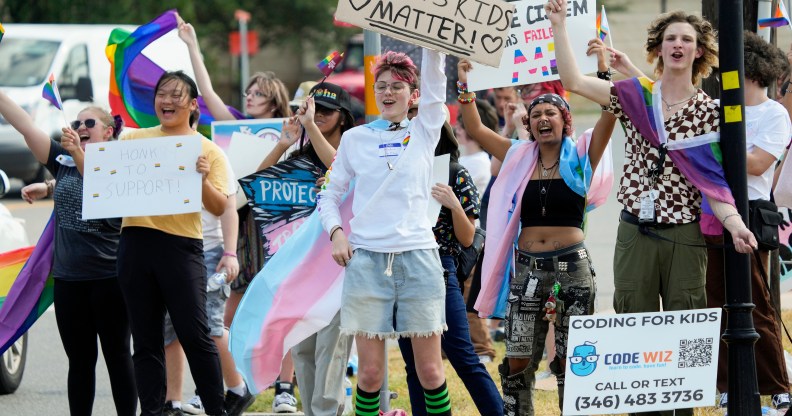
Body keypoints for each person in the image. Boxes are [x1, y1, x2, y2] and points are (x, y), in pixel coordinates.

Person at [546, 1, 757, 414]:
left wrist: (735, 225)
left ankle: (687, 407)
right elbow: (571, 79)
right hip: (635, 231)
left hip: (684, 236)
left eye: (687, 40)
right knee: (632, 322)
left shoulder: (711, 114)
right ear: (658, 48)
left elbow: (712, 183)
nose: (678, 45)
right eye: (670, 38)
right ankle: (645, 410)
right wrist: (559, 26)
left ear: (699, 52)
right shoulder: (633, 97)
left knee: (689, 325)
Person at [459, 51, 614, 413]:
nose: (543, 119)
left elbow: (611, 110)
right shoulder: (516, 156)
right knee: (517, 356)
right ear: (528, 124)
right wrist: (465, 87)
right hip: (528, 267)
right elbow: (479, 130)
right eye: (536, 115)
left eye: (551, 114)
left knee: (572, 357)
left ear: (566, 122)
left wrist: (603, 70)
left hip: (572, 267)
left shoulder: (582, 156)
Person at [317, 47, 453, 415]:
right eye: (381, 87)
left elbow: (437, 85)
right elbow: (328, 195)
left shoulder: (425, 129)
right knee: (371, 375)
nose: (388, 93)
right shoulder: (354, 139)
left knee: (429, 370)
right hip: (366, 262)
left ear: (413, 95)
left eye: (397, 86)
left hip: (420, 259)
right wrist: (336, 233)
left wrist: (432, 45)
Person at [177, 19, 299, 412]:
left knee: (280, 312)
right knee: (222, 317)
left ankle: (284, 387)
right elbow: (207, 91)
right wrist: (192, 45)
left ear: (275, 101)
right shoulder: (230, 123)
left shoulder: (292, 132)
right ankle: (222, 384)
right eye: (248, 91)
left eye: (259, 93)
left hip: (277, 229)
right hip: (238, 227)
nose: (249, 97)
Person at [2, 95, 137, 415]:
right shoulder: (63, 161)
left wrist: (76, 153)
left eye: (89, 123)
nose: (80, 127)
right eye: (76, 123)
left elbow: (101, 190)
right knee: (80, 362)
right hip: (69, 280)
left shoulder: (121, 165)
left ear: (108, 132)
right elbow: (24, 125)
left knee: (118, 357)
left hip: (111, 280)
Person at [117, 70, 230, 416]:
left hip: (181, 248)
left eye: (176, 95)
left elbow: (219, 205)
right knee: (146, 339)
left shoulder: (207, 151)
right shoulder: (132, 141)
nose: (166, 101)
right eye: (161, 94)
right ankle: (151, 411)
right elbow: (106, 185)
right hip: (135, 244)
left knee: (195, 335)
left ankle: (216, 409)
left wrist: (200, 179)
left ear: (193, 105)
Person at [705, 31, 791, 415]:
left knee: (755, 303)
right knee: (717, 300)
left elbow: (757, 164)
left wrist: (713, 150)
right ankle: (727, 384)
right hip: (713, 211)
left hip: (752, 213)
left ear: (750, 67)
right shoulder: (717, 107)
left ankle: (777, 385)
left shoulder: (774, 113)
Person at [259, 82, 356, 416]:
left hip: (338, 270)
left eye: (326, 111)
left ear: (343, 117)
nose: (318, 116)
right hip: (299, 269)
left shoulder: (354, 151)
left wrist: (310, 126)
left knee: (331, 350)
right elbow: (259, 189)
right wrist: (284, 143)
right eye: (312, 110)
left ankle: (328, 412)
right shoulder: (298, 158)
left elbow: (342, 172)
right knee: (303, 350)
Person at [396, 119, 503, 415]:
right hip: (401, 268)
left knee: (461, 354)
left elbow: (468, 237)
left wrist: (454, 204)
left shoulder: (455, 172)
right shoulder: (395, 172)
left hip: (439, 268)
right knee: (414, 363)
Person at [160, 109, 251, 416]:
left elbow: (228, 207)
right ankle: (172, 400)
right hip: (172, 251)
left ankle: (237, 387)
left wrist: (229, 253)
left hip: (208, 251)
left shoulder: (211, 154)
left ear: (193, 119)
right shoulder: (158, 151)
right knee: (170, 328)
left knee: (210, 327)